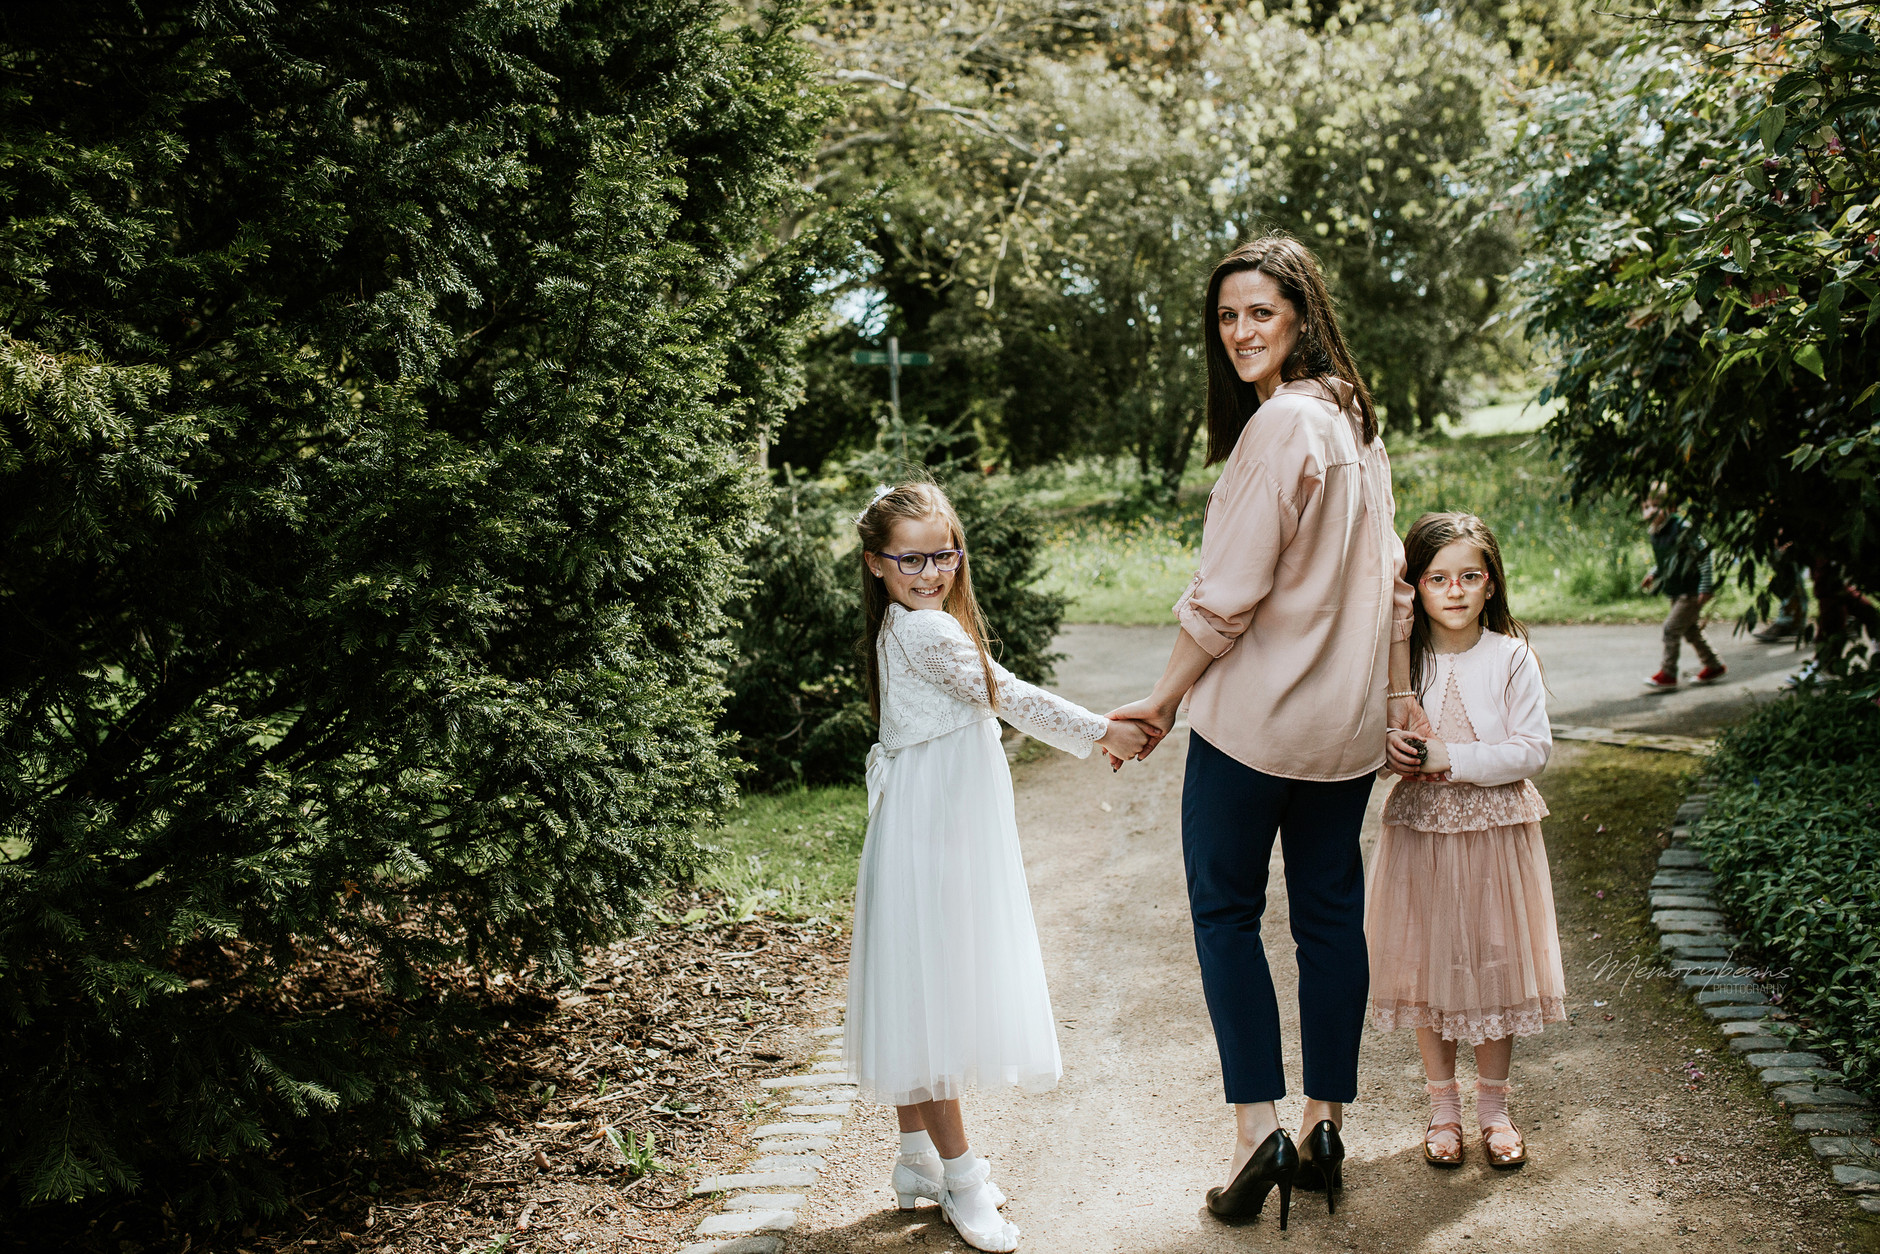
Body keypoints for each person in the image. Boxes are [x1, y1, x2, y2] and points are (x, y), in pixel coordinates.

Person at [1108, 235, 1415, 1230]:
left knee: (1224, 918)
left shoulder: (1280, 426)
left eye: (1258, 314)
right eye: (1226, 317)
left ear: (1301, 315)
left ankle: (1257, 1135)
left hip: (1248, 733)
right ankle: (1326, 1129)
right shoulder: (1356, 424)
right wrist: (1396, 701)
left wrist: (1160, 699)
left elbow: (1223, 597)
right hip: (1341, 737)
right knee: (1327, 919)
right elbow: (1396, 591)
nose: (1239, 332)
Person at [845, 481, 1152, 1253]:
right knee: (937, 993)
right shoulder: (926, 632)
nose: (929, 571)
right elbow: (1005, 695)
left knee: (920, 983)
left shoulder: (908, 620)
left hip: (932, 818)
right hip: (935, 830)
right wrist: (1103, 732)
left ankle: (915, 1159)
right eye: (909, 558)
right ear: (877, 563)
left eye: (942, 554)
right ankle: (959, 1175)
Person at [1368, 512, 1565, 1172]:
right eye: (1437, 578)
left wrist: (1449, 756)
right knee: (1428, 961)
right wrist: (1388, 751)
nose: (1454, 590)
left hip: (1493, 833)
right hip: (1421, 831)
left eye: (1469, 577)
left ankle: (1494, 1110)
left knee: (1493, 959)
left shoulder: (1510, 657)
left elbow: (1533, 749)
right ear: (1416, 587)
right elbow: (1376, 737)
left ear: (1490, 584)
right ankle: (1442, 1108)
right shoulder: (1403, 663)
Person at [1639, 488, 1725, 690]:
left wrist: (1706, 586)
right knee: (1690, 631)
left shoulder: (1682, 528)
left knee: (1671, 628)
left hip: (1691, 591)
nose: (1649, 512)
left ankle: (1668, 673)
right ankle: (1713, 665)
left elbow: (1704, 555)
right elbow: (1667, 561)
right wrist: (1654, 574)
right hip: (1676, 591)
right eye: (1645, 507)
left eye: (1654, 507)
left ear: (1669, 508)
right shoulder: (1657, 533)